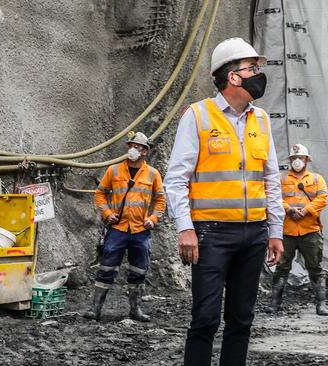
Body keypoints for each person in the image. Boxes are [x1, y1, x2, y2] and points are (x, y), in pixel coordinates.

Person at [164, 37, 284, 366]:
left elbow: (271, 178)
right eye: (252, 68)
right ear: (233, 77)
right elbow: (175, 179)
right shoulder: (198, 117)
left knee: (241, 321)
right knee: (205, 320)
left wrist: (275, 230)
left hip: (254, 234)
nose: (259, 74)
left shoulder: (261, 119)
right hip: (211, 235)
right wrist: (185, 229)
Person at [86, 131, 166, 322]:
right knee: (106, 268)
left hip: (141, 231)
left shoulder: (153, 174)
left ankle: (135, 310)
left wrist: (153, 219)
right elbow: (100, 194)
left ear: (145, 152)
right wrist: (107, 213)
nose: (133, 150)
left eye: (137, 147)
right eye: (131, 146)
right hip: (118, 229)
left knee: (139, 270)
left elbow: (161, 200)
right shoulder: (114, 170)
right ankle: (95, 310)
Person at [265, 143, 328, 315]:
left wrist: (305, 210)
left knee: (315, 267)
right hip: (287, 231)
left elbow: (323, 198)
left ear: (307, 160)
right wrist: (289, 209)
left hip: (310, 230)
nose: (297, 161)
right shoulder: (281, 178)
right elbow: (274, 196)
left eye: (300, 158)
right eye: (294, 158)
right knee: (282, 267)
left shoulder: (317, 179)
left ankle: (321, 305)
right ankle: (274, 304)